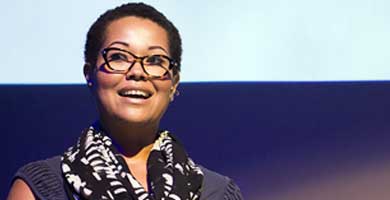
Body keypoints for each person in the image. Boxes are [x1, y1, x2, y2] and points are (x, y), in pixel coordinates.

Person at [7, 2, 243, 200]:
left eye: (154, 60)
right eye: (119, 57)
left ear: (174, 84)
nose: (137, 72)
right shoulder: (41, 188)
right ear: (89, 74)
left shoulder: (217, 192)